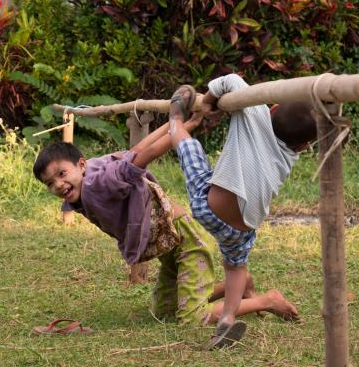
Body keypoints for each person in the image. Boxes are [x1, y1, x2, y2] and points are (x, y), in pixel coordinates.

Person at [33, 108, 299, 346]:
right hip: (168, 246)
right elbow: (135, 150)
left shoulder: (101, 182)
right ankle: (240, 285)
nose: (57, 184)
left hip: (186, 240)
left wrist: (178, 128)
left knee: (192, 318)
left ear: (81, 164)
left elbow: (143, 155)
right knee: (164, 311)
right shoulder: (91, 173)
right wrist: (179, 125)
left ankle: (267, 300)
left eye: (61, 174)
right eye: (49, 183)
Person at [168, 74, 315, 348]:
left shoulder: (255, 110)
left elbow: (232, 79)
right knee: (236, 268)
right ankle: (226, 319)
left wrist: (209, 102)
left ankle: (176, 120)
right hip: (243, 228)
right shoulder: (291, 155)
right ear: (303, 147)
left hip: (208, 205)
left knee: (191, 150)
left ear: (271, 108)